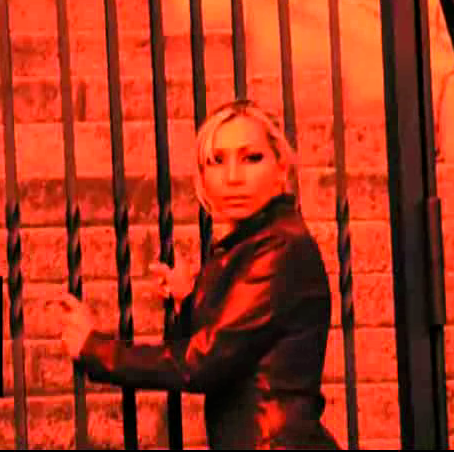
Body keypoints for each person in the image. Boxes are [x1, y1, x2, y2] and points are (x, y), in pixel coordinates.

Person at [56, 99, 340, 449]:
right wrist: (190, 299)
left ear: (282, 168)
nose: (233, 177)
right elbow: (239, 344)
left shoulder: (279, 247)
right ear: (203, 175)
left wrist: (95, 349)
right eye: (217, 161)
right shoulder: (254, 242)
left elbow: (203, 362)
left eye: (251, 158)